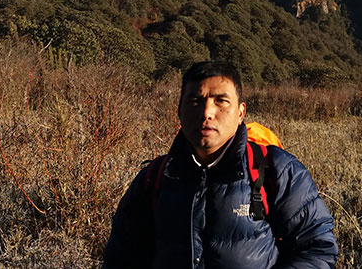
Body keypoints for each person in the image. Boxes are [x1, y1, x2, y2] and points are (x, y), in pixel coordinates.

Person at [103, 60, 339, 268]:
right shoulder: (154, 178)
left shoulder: (276, 171)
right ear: (179, 110)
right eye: (195, 100)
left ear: (240, 112)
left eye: (221, 101)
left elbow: (317, 247)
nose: (207, 112)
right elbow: (121, 257)